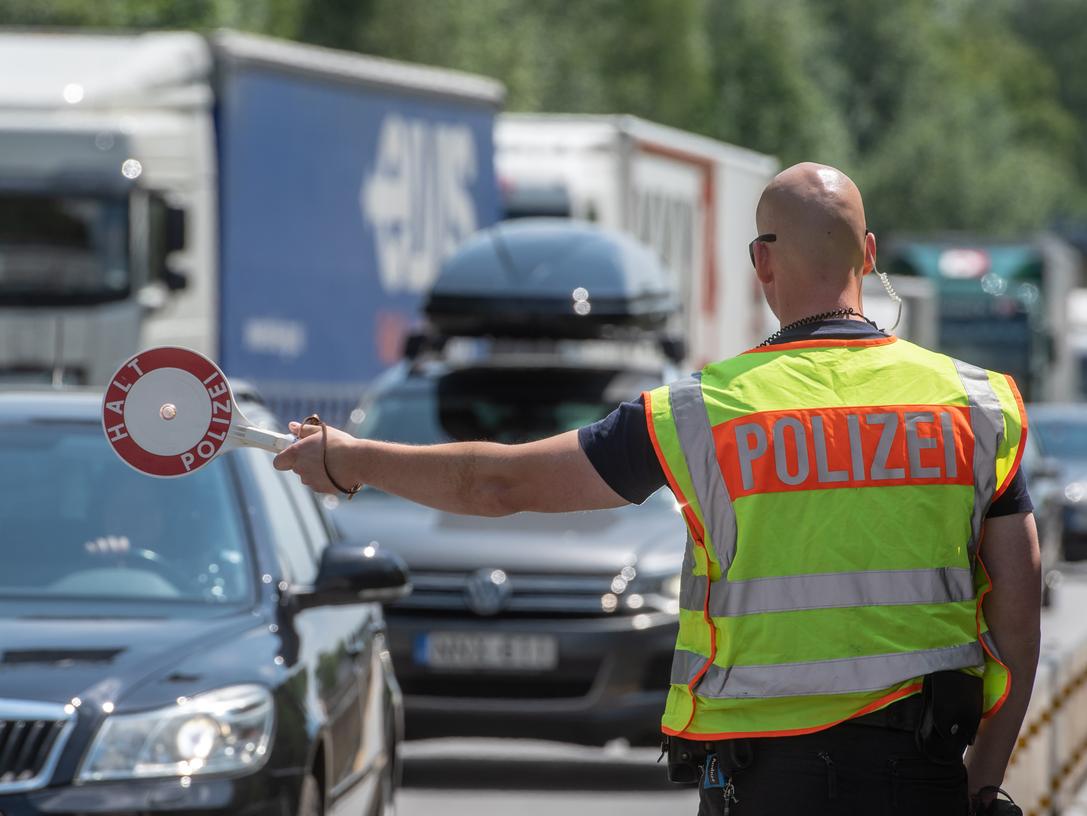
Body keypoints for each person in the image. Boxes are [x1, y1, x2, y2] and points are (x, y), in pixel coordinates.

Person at [275, 163, 1040, 815]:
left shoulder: (701, 411)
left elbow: (497, 483)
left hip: (764, 778)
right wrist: (982, 778)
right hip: (921, 772)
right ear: (867, 254)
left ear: (761, 263)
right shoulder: (973, 405)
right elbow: (1018, 594)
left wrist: (353, 458)